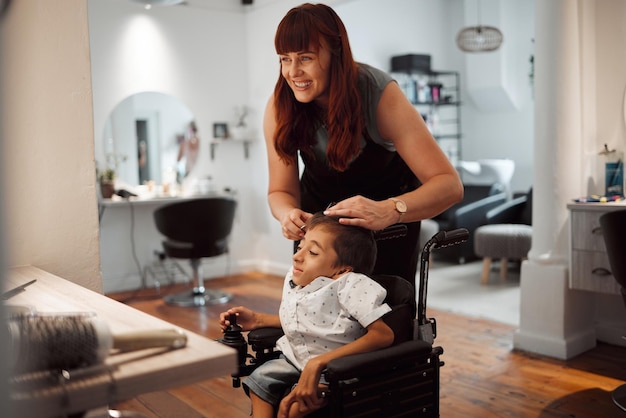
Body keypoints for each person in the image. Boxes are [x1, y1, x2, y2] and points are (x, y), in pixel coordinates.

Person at [264, 3, 464, 289]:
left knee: (383, 324)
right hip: (319, 238)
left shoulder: (379, 94)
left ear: (335, 54)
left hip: (386, 232)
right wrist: (287, 214)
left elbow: (449, 185)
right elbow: (280, 191)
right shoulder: (279, 107)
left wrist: (391, 210)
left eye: (305, 58)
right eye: (285, 59)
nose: (293, 71)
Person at [220, 213, 394, 418]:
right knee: (259, 382)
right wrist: (258, 320)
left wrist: (319, 363)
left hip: (337, 368)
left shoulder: (350, 284)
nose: (297, 255)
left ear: (342, 270)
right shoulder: (299, 280)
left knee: (294, 408)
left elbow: (383, 334)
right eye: (300, 246)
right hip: (295, 359)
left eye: (312, 252)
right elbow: (307, 322)